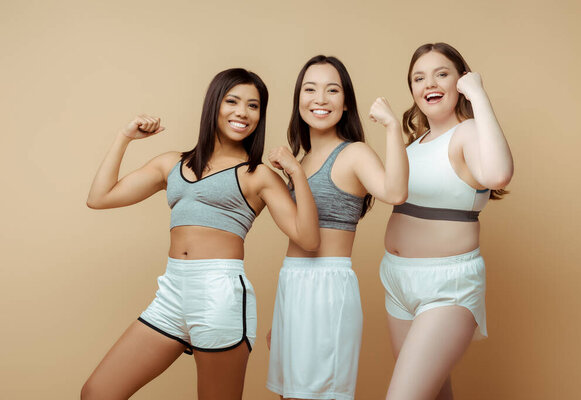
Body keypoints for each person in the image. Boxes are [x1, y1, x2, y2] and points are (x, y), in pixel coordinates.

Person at [81, 68, 320, 400]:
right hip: (172, 292)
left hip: (219, 295)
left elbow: (308, 238)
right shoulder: (172, 163)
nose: (242, 112)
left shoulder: (258, 175)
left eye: (253, 106)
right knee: (98, 392)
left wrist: (295, 172)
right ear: (214, 105)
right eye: (232, 101)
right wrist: (125, 137)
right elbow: (99, 198)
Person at [266, 55, 409, 400]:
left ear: (346, 104)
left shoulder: (354, 153)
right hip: (294, 284)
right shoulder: (301, 159)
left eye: (332, 90)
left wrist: (391, 127)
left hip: (326, 289)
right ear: (298, 98)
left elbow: (395, 192)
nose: (320, 99)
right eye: (310, 89)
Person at [380, 43, 514, 399]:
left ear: (461, 80)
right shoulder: (413, 144)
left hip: (447, 286)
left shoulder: (468, 132)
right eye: (418, 78)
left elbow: (499, 174)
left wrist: (478, 93)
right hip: (398, 281)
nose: (430, 84)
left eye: (442, 74)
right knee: (434, 393)